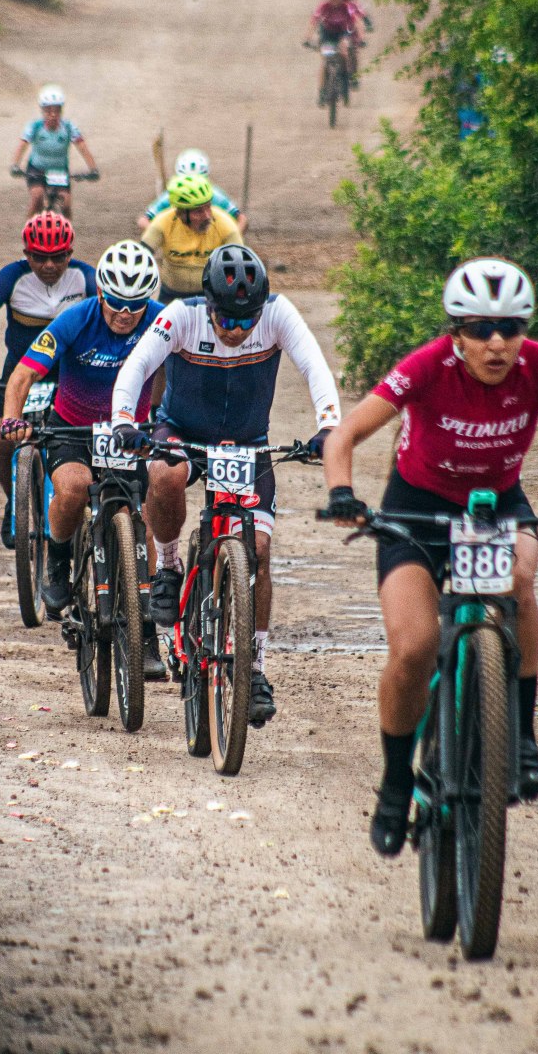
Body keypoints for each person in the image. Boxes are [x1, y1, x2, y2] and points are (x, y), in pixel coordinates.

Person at [322, 258, 538, 857]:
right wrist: (341, 493)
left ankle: (521, 739)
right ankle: (396, 783)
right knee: (413, 648)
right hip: (418, 510)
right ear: (457, 334)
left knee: (519, 581)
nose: (497, 343)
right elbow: (345, 433)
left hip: (497, 505)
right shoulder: (426, 367)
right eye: (481, 329)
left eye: (511, 328)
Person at [111, 244, 341, 724]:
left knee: (259, 551)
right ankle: (169, 567)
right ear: (208, 305)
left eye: (246, 321)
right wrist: (123, 421)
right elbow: (137, 365)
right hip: (183, 433)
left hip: (246, 443)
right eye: (226, 320)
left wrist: (328, 427)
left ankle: (254, 668)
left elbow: (314, 366)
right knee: (164, 474)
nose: (236, 331)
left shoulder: (278, 314)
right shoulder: (181, 315)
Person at [0, 242, 167, 676]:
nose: (125, 313)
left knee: (142, 521)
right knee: (73, 488)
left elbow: (187, 370)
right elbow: (23, 373)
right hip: (73, 429)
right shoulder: (75, 318)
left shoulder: (161, 320)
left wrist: (168, 419)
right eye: (116, 302)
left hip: (128, 434)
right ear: (100, 292)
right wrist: (13, 418)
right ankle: (57, 559)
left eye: (136, 304)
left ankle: (147, 633)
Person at [0, 212, 95, 549]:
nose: (49, 265)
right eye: (39, 257)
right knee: (2, 435)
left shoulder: (86, 278)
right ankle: (15, 500)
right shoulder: (12, 277)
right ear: (26, 254)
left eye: (58, 257)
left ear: (70, 253)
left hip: (69, 374)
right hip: (21, 372)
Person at [140, 173, 242, 303]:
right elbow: (141, 257)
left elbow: (241, 265)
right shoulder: (163, 222)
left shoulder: (225, 224)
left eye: (208, 207)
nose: (207, 216)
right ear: (181, 212)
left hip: (211, 294)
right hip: (171, 294)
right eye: (198, 211)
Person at [10, 85, 99, 219]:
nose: (53, 114)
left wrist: (93, 169)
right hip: (37, 169)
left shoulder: (69, 127)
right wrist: (15, 165)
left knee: (66, 204)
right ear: (42, 110)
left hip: (59, 171)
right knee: (37, 198)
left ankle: (67, 231)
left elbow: (82, 147)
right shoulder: (35, 126)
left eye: (57, 110)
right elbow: (23, 144)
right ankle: (29, 230)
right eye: (48, 110)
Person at [137, 148, 248, 234]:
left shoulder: (216, 196)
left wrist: (231, 241)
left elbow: (241, 219)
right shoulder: (170, 196)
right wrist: (164, 238)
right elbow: (143, 221)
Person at [304, 0, 368, 104]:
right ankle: (322, 91)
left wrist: (361, 37)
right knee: (325, 61)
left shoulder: (348, 7)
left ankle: (347, 74)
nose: (334, 0)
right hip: (328, 33)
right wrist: (307, 38)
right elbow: (313, 22)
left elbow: (357, 21)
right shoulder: (323, 6)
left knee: (345, 50)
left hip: (344, 32)